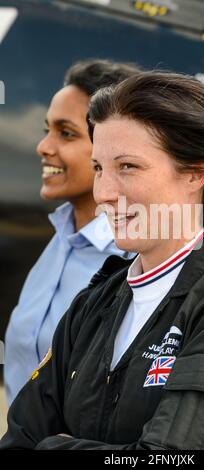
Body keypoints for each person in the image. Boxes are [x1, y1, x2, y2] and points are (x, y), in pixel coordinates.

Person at [1, 71, 204, 450]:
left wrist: (55, 447)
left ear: (195, 172)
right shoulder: (92, 306)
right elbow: (20, 439)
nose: (104, 192)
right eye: (98, 168)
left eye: (127, 166)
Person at [4, 59, 140, 405]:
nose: (43, 146)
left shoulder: (136, 261)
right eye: (46, 129)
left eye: (65, 133)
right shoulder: (62, 235)